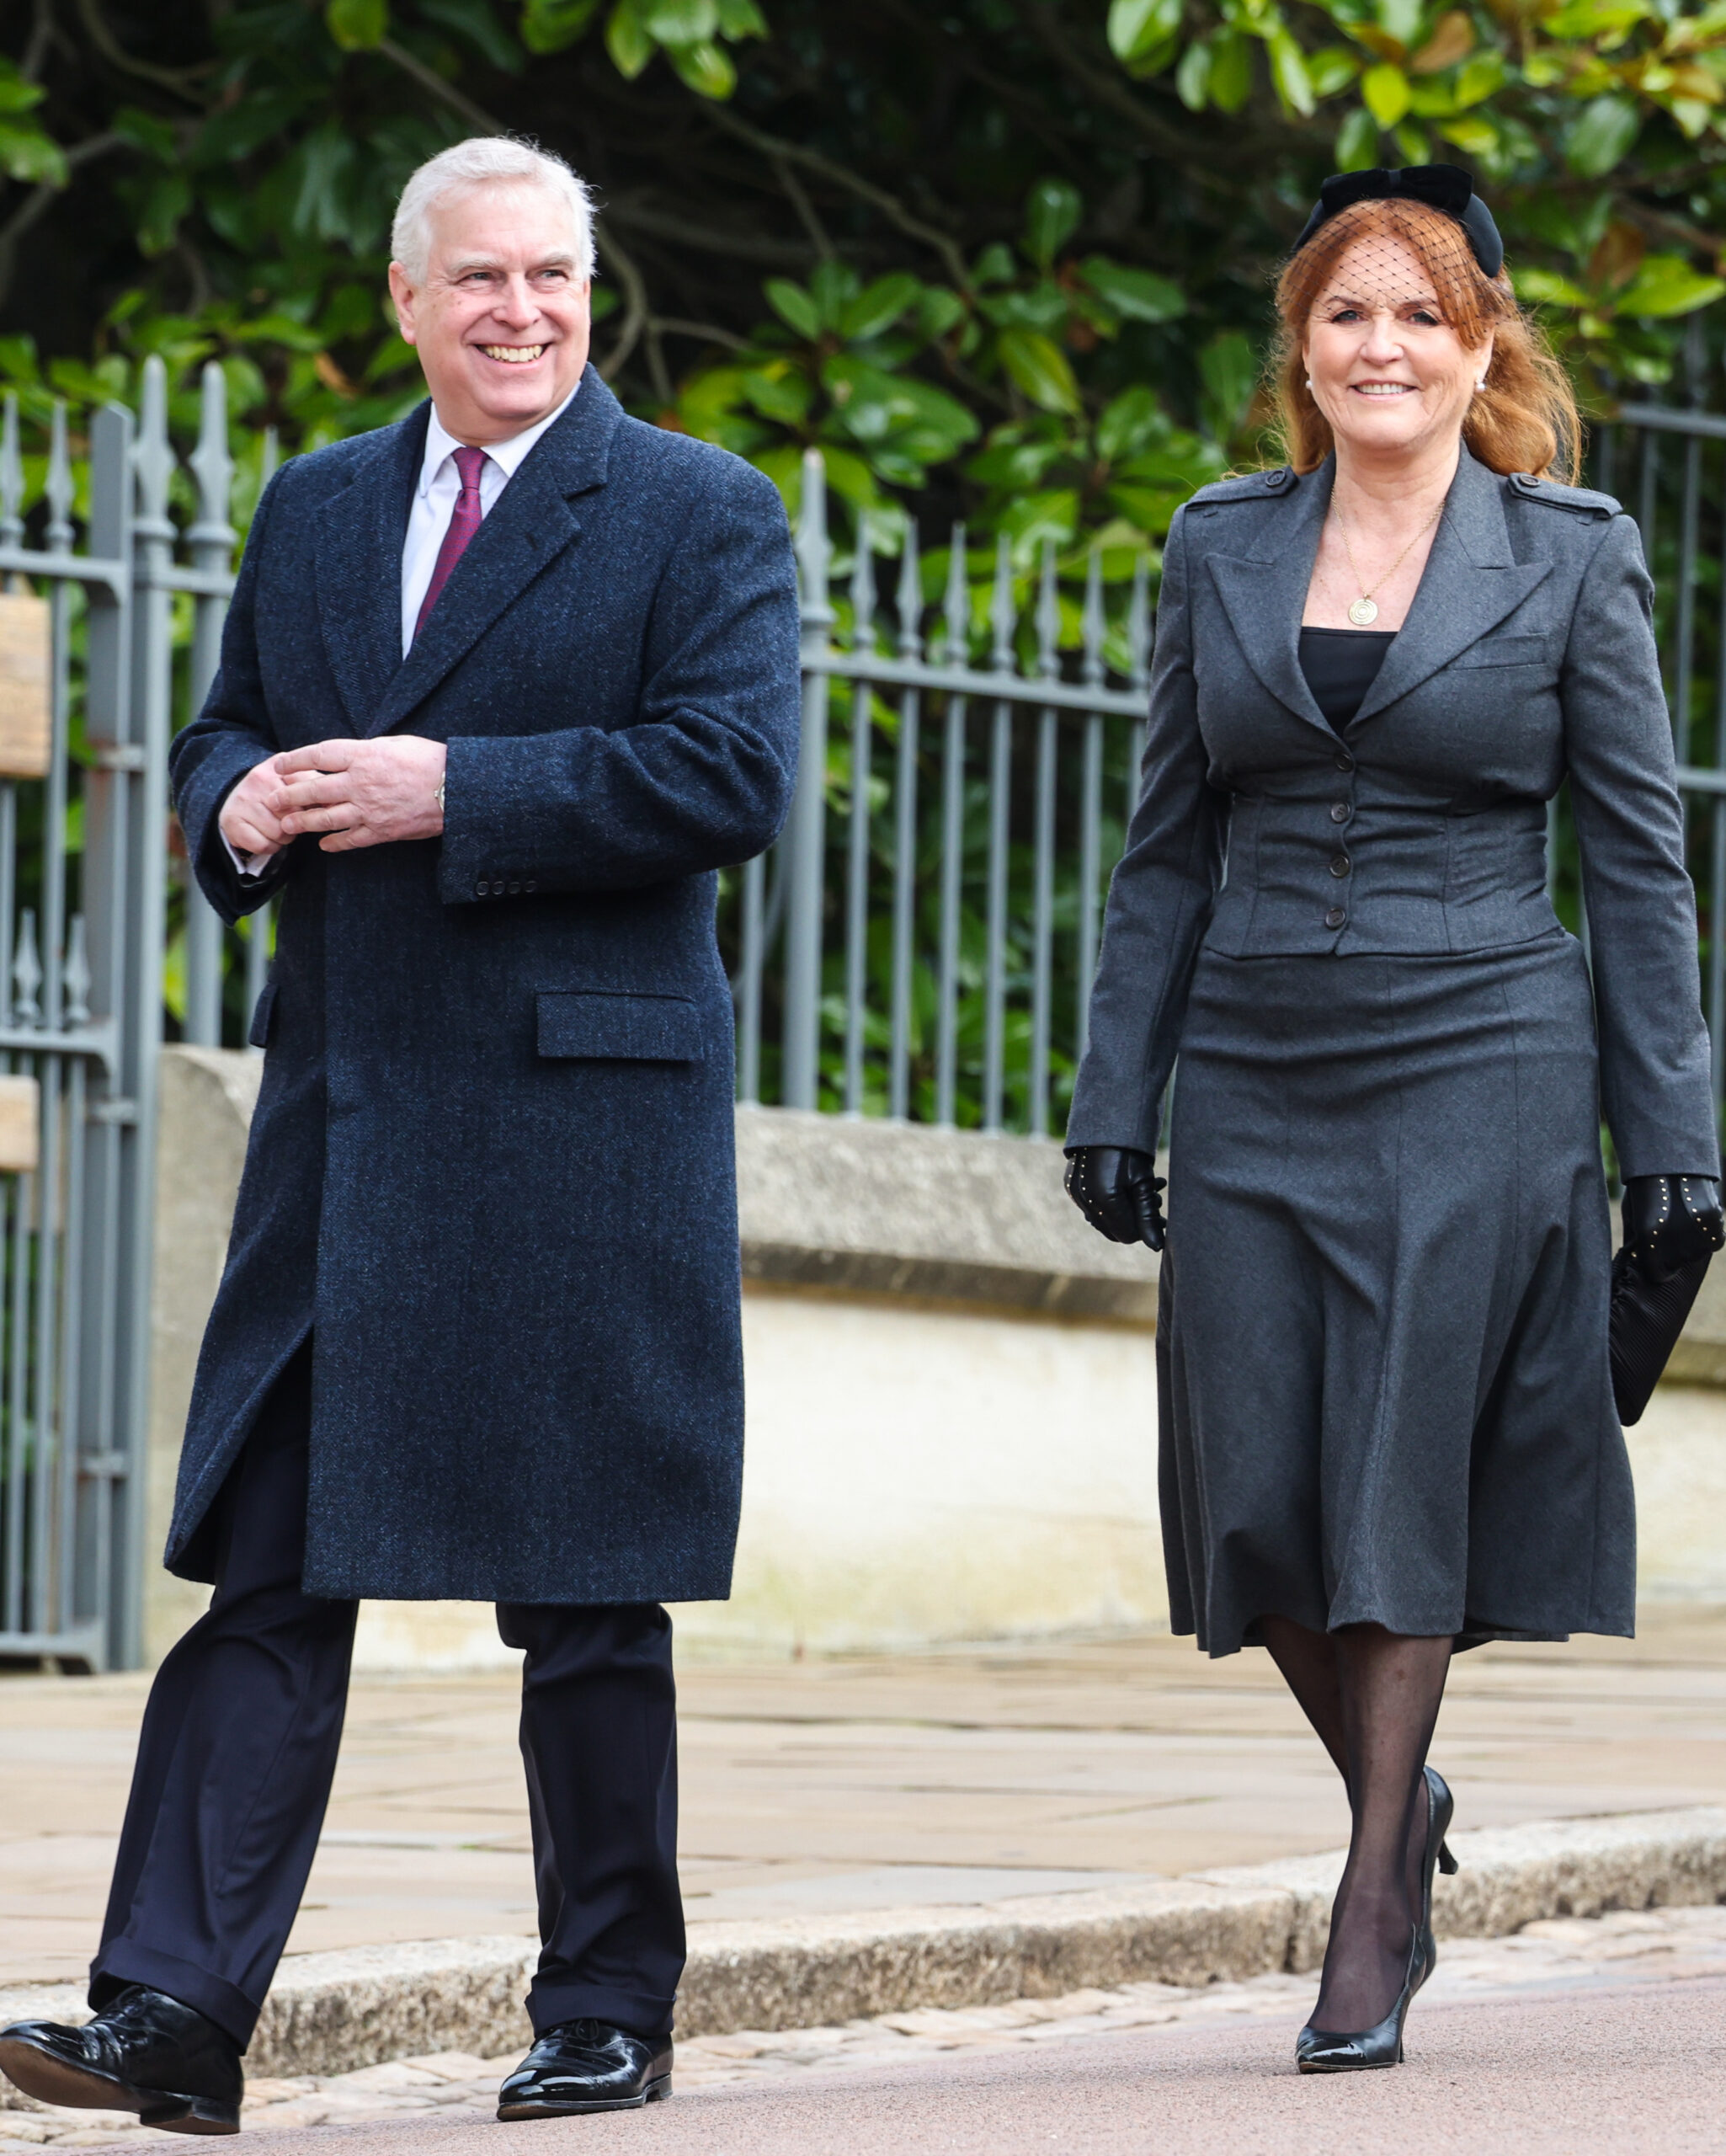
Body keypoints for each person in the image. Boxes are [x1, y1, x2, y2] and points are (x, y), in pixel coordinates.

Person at [0, 136, 798, 2131]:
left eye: (552, 276)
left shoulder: (696, 505)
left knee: (584, 1589)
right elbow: (228, 722)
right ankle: (172, 2011)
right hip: (349, 1118)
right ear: (407, 298)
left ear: (586, 293)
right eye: (482, 279)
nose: (521, 310)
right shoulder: (317, 503)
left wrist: (460, 789)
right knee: (267, 1568)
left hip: (579, 1118)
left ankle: (605, 2002)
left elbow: (728, 770)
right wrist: (230, 804)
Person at [1063, 165, 1722, 2073]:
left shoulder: (1570, 553)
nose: (1380, 346)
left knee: (1398, 1471)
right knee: (1252, 1481)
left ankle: (1369, 1908)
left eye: (1418, 314)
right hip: (1254, 1051)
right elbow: (1162, 843)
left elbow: (1636, 861)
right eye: (1345, 313)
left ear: (1479, 342)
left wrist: (1670, 1138)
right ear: (1300, 345)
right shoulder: (1219, 543)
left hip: (1480, 1050)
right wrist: (1116, 1091)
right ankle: (1401, 1790)